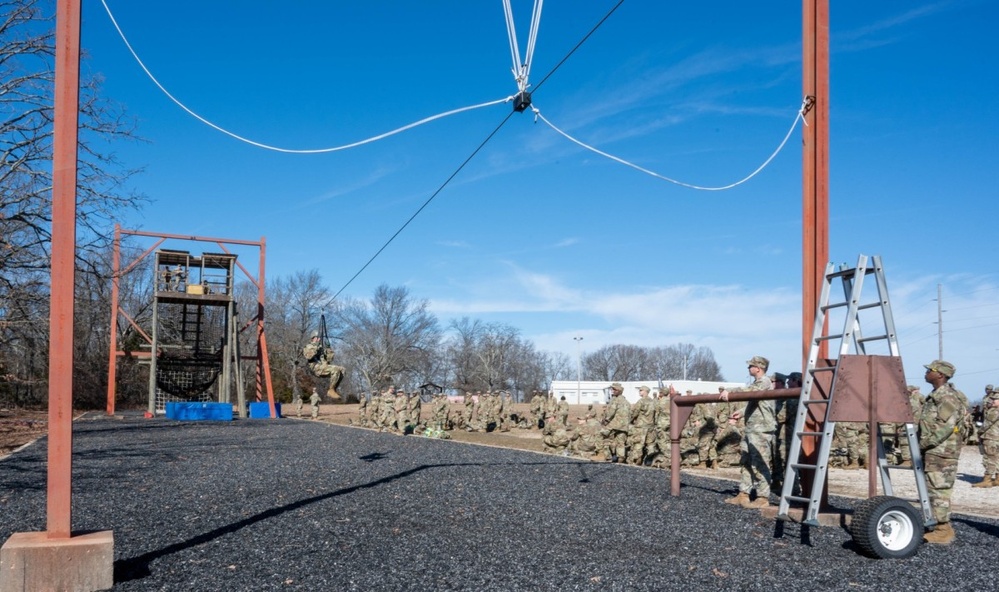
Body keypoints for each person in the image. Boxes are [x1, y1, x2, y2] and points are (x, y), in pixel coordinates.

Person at [919, 359, 968, 545]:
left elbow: (945, 427)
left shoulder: (947, 397)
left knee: (939, 489)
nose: (926, 373)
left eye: (930, 370)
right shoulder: (935, 394)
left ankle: (943, 530)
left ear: (940, 374)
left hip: (941, 452)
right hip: (935, 451)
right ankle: (936, 524)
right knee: (933, 487)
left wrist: (923, 444)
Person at [720, 355, 776, 509]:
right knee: (746, 460)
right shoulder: (759, 384)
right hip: (752, 427)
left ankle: (762, 497)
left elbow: (751, 391)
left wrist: (730, 392)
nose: (748, 369)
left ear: (758, 368)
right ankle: (743, 494)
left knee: (760, 461)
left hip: (762, 429)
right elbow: (758, 403)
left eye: (750, 366)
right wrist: (743, 412)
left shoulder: (764, 382)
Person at [302, 331, 345, 400]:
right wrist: (316, 346)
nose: (319, 339)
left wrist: (328, 348)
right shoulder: (308, 347)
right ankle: (331, 390)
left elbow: (329, 359)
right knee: (335, 369)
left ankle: (332, 389)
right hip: (316, 368)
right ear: (313, 338)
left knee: (342, 370)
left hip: (324, 367)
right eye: (317, 338)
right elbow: (308, 356)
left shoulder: (320, 347)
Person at [973, 383, 999, 488]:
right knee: (997, 458)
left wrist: (979, 432)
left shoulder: (994, 411)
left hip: (991, 437)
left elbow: (987, 424)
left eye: (995, 400)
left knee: (989, 458)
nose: (992, 401)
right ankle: (997, 478)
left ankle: (987, 480)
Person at [600, 382, 631, 462]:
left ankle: (606, 456)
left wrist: (605, 420)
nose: (612, 390)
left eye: (614, 389)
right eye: (612, 389)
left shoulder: (615, 400)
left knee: (604, 437)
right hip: (624, 426)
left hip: (615, 424)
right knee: (621, 441)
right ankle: (621, 457)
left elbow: (611, 413)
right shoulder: (627, 402)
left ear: (619, 390)